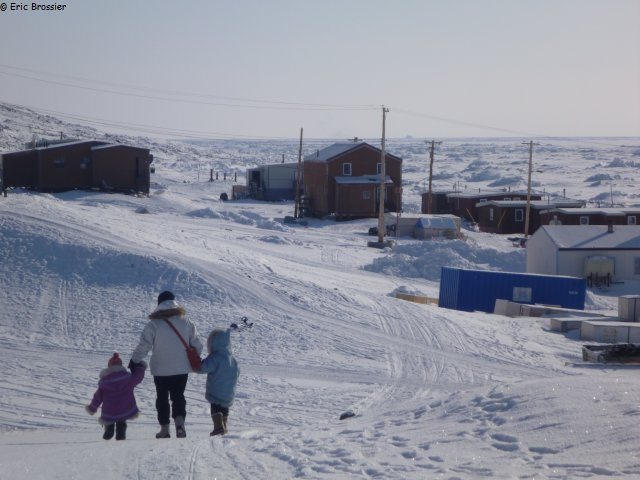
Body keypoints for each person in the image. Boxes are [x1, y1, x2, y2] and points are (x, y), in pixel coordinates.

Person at [129, 291, 203, 439]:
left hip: (161, 370)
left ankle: (164, 430)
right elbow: (198, 345)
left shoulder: (153, 324)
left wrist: (134, 360)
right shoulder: (186, 323)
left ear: (159, 305)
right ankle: (180, 424)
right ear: (174, 303)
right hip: (182, 369)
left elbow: (144, 346)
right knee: (178, 396)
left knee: (161, 398)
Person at [85, 352, 146, 441]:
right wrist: (140, 367)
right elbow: (138, 377)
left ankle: (109, 431)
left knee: (109, 421)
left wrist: (92, 408)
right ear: (121, 366)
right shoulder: (128, 378)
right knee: (122, 420)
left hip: (109, 410)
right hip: (125, 407)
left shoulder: (104, 383)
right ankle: (121, 433)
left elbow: (97, 397)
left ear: (109, 367)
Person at [197, 326, 240, 436]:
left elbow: (202, 368)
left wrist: (197, 362)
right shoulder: (232, 358)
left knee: (216, 408)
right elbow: (237, 372)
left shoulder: (215, 357)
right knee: (224, 408)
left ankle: (218, 426)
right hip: (229, 390)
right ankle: (224, 426)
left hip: (216, 389)